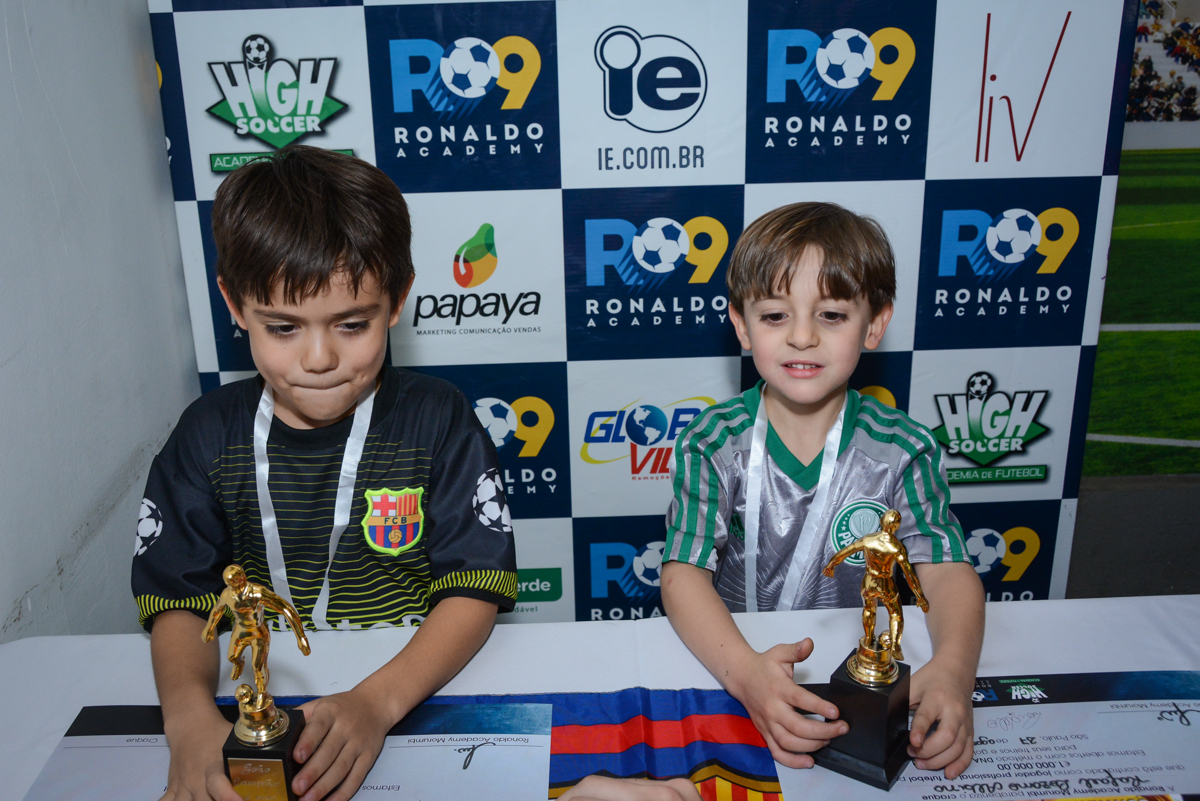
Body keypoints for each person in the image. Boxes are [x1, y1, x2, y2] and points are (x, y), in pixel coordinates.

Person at [131, 145, 517, 801]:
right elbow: (179, 598)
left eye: (352, 323)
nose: (318, 357)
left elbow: (473, 589)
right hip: (260, 705)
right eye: (282, 326)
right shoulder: (206, 432)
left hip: (411, 695)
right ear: (233, 302)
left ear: (397, 300)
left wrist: (379, 701)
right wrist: (189, 716)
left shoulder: (440, 420)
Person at [660, 202, 984, 781]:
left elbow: (946, 569)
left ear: (875, 323)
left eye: (832, 315)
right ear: (741, 324)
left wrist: (956, 670)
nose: (803, 337)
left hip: (854, 684)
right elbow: (682, 574)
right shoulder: (712, 443)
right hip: (734, 670)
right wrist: (747, 677)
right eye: (776, 315)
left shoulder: (904, 448)